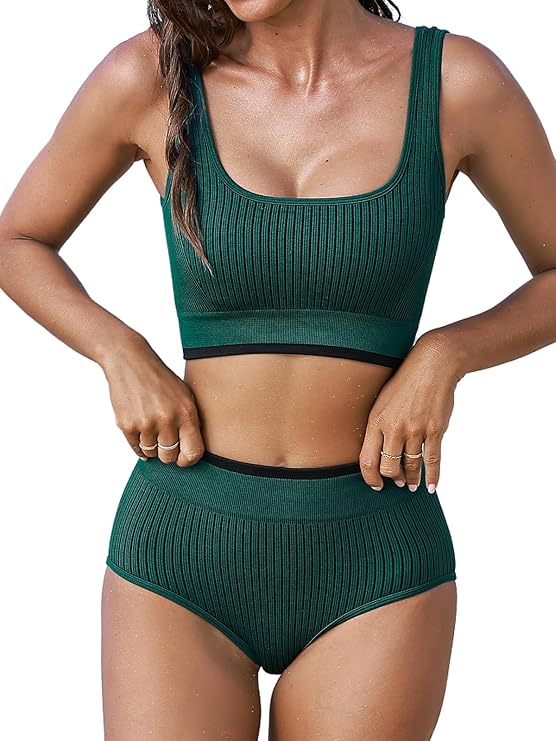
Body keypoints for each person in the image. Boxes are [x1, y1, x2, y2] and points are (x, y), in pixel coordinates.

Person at [1, 1, 554, 739]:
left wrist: (448, 353)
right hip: (181, 545)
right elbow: (17, 240)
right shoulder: (155, 75)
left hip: (374, 556)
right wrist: (118, 349)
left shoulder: (456, 83)